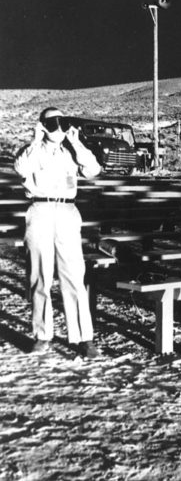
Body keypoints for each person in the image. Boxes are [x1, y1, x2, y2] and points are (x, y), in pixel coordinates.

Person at [14, 107, 102, 357]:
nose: (58, 128)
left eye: (61, 122)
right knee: (40, 274)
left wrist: (76, 142)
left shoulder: (70, 153)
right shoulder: (31, 151)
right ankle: (42, 335)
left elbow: (93, 170)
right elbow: (22, 169)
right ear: (42, 125)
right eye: (52, 123)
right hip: (40, 210)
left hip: (67, 211)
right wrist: (36, 139)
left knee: (74, 274)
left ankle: (83, 337)